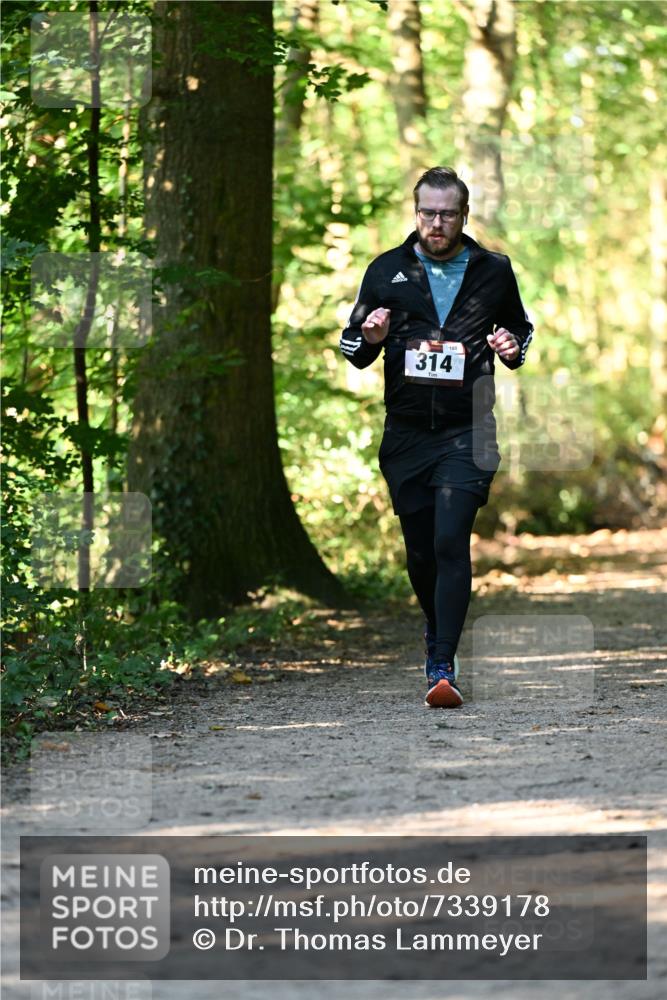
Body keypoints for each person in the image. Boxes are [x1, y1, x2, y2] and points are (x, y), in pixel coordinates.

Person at [339, 166, 533, 709]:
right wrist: (370, 337)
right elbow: (353, 347)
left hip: (468, 430)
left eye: (448, 214)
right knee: (421, 551)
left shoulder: (493, 270)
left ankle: (442, 660)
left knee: (451, 541)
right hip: (405, 434)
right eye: (427, 213)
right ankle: (435, 628)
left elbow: (520, 328)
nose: (437, 223)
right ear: (415, 213)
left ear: (464, 215)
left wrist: (511, 348)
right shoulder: (386, 271)